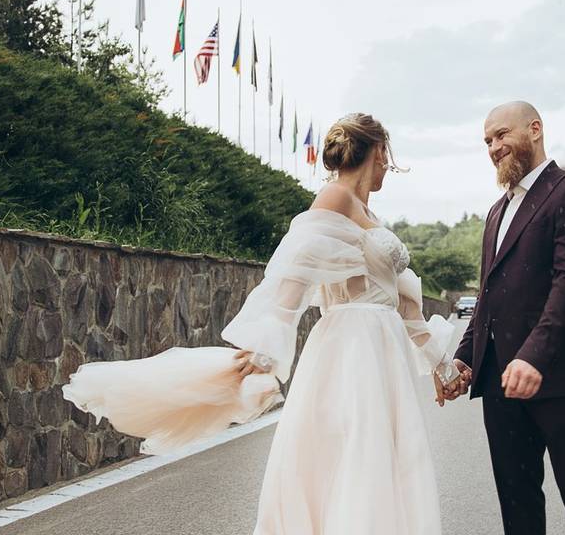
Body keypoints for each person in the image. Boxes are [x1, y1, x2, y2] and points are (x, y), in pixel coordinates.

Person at [62, 113, 469, 535]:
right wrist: (265, 348)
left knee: (386, 458)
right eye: (388, 156)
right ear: (379, 151)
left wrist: (443, 366)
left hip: (384, 349)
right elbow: (293, 276)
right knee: (353, 455)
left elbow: (404, 308)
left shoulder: (369, 213)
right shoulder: (334, 197)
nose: (389, 166)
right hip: (351, 349)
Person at [444, 101, 565, 535]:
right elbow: (488, 295)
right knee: (517, 501)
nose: (494, 147)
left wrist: (534, 357)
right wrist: (466, 358)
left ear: (535, 130)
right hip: (500, 382)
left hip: (560, 377)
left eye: (502, 135)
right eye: (487, 141)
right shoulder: (496, 212)